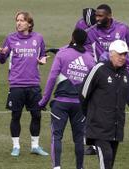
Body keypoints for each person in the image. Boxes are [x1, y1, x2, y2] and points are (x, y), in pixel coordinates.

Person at [39, 29, 95, 169]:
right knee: (78, 139)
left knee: (56, 136)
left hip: (61, 104)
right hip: (79, 106)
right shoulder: (90, 59)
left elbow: (52, 78)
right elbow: (93, 85)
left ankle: (57, 167)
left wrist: (44, 101)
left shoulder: (62, 54)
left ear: (72, 38)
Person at [0, 11, 49, 157]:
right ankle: (16, 146)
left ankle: (35, 146)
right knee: (16, 115)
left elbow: (43, 54)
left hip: (33, 84)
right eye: (17, 20)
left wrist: (43, 59)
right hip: (16, 84)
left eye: (22, 20)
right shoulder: (10, 39)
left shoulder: (38, 38)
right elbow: (2, 60)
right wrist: (2, 54)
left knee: (37, 115)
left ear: (29, 24)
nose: (18, 23)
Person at [85, 4, 129, 155]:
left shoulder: (123, 29)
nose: (97, 19)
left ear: (109, 16)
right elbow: (85, 50)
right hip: (104, 76)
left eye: (100, 16)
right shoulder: (91, 32)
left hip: (128, 74)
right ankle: (94, 144)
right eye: (96, 16)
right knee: (101, 110)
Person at [80, 40, 129, 169]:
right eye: (120, 54)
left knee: (109, 162)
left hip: (116, 129)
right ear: (111, 54)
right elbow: (83, 94)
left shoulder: (125, 74)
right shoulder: (99, 69)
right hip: (98, 128)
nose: (123, 57)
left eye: (125, 54)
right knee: (106, 159)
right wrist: (91, 115)